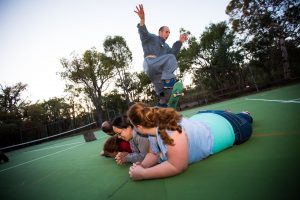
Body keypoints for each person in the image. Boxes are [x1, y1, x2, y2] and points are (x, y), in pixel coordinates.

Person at [127, 102, 253, 181]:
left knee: (246, 117)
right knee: (231, 115)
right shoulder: (154, 129)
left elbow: (176, 166)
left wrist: (143, 174)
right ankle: (232, 113)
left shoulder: (171, 130)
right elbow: (153, 154)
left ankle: (243, 114)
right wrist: (142, 165)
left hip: (234, 126)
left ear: (139, 127)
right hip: (206, 116)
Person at [134, 4, 188, 107]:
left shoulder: (166, 46)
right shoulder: (152, 38)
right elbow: (143, 32)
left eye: (169, 33)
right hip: (150, 63)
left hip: (157, 74)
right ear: (160, 32)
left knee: (165, 95)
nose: (168, 34)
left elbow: (173, 53)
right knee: (171, 59)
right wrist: (142, 19)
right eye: (166, 32)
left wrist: (180, 41)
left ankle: (159, 106)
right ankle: (168, 81)